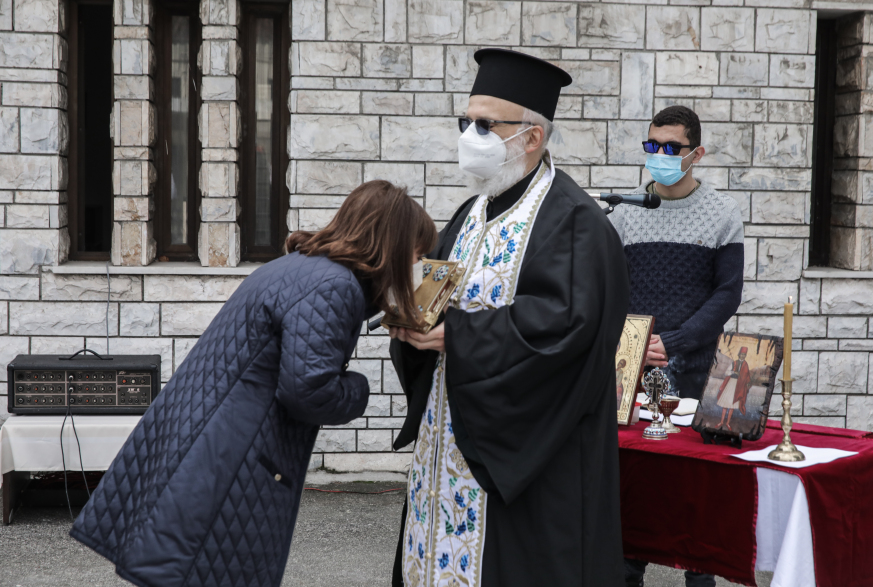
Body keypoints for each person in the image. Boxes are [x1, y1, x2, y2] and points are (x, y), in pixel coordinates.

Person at [70, 181, 437, 587]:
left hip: (207, 442)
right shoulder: (333, 286)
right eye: (417, 255)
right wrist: (358, 389)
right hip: (232, 459)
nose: (417, 266)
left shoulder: (301, 266)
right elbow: (308, 391)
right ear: (392, 245)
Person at [388, 48, 630, 587]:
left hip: (523, 455)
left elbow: (566, 329)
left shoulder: (577, 224)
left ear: (531, 137)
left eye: (484, 124)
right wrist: (410, 317)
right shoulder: (473, 210)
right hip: (448, 438)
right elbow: (436, 292)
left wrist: (459, 337)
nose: (469, 135)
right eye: (465, 121)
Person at [609, 105, 744, 587]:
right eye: (652, 146)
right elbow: (609, 288)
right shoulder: (624, 213)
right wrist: (635, 341)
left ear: (697, 153)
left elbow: (727, 292)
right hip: (631, 368)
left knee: (693, 496)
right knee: (631, 490)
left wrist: (678, 339)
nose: (659, 156)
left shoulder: (723, 213)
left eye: (671, 148)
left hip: (696, 369)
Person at [717, 347, 751, 430]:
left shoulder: (746, 365)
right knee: (725, 404)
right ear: (739, 354)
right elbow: (726, 372)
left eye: (744, 355)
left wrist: (742, 376)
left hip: (738, 386)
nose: (743, 356)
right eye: (742, 354)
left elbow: (747, 377)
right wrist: (733, 372)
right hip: (731, 383)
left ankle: (728, 423)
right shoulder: (734, 363)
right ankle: (721, 422)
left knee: (732, 406)